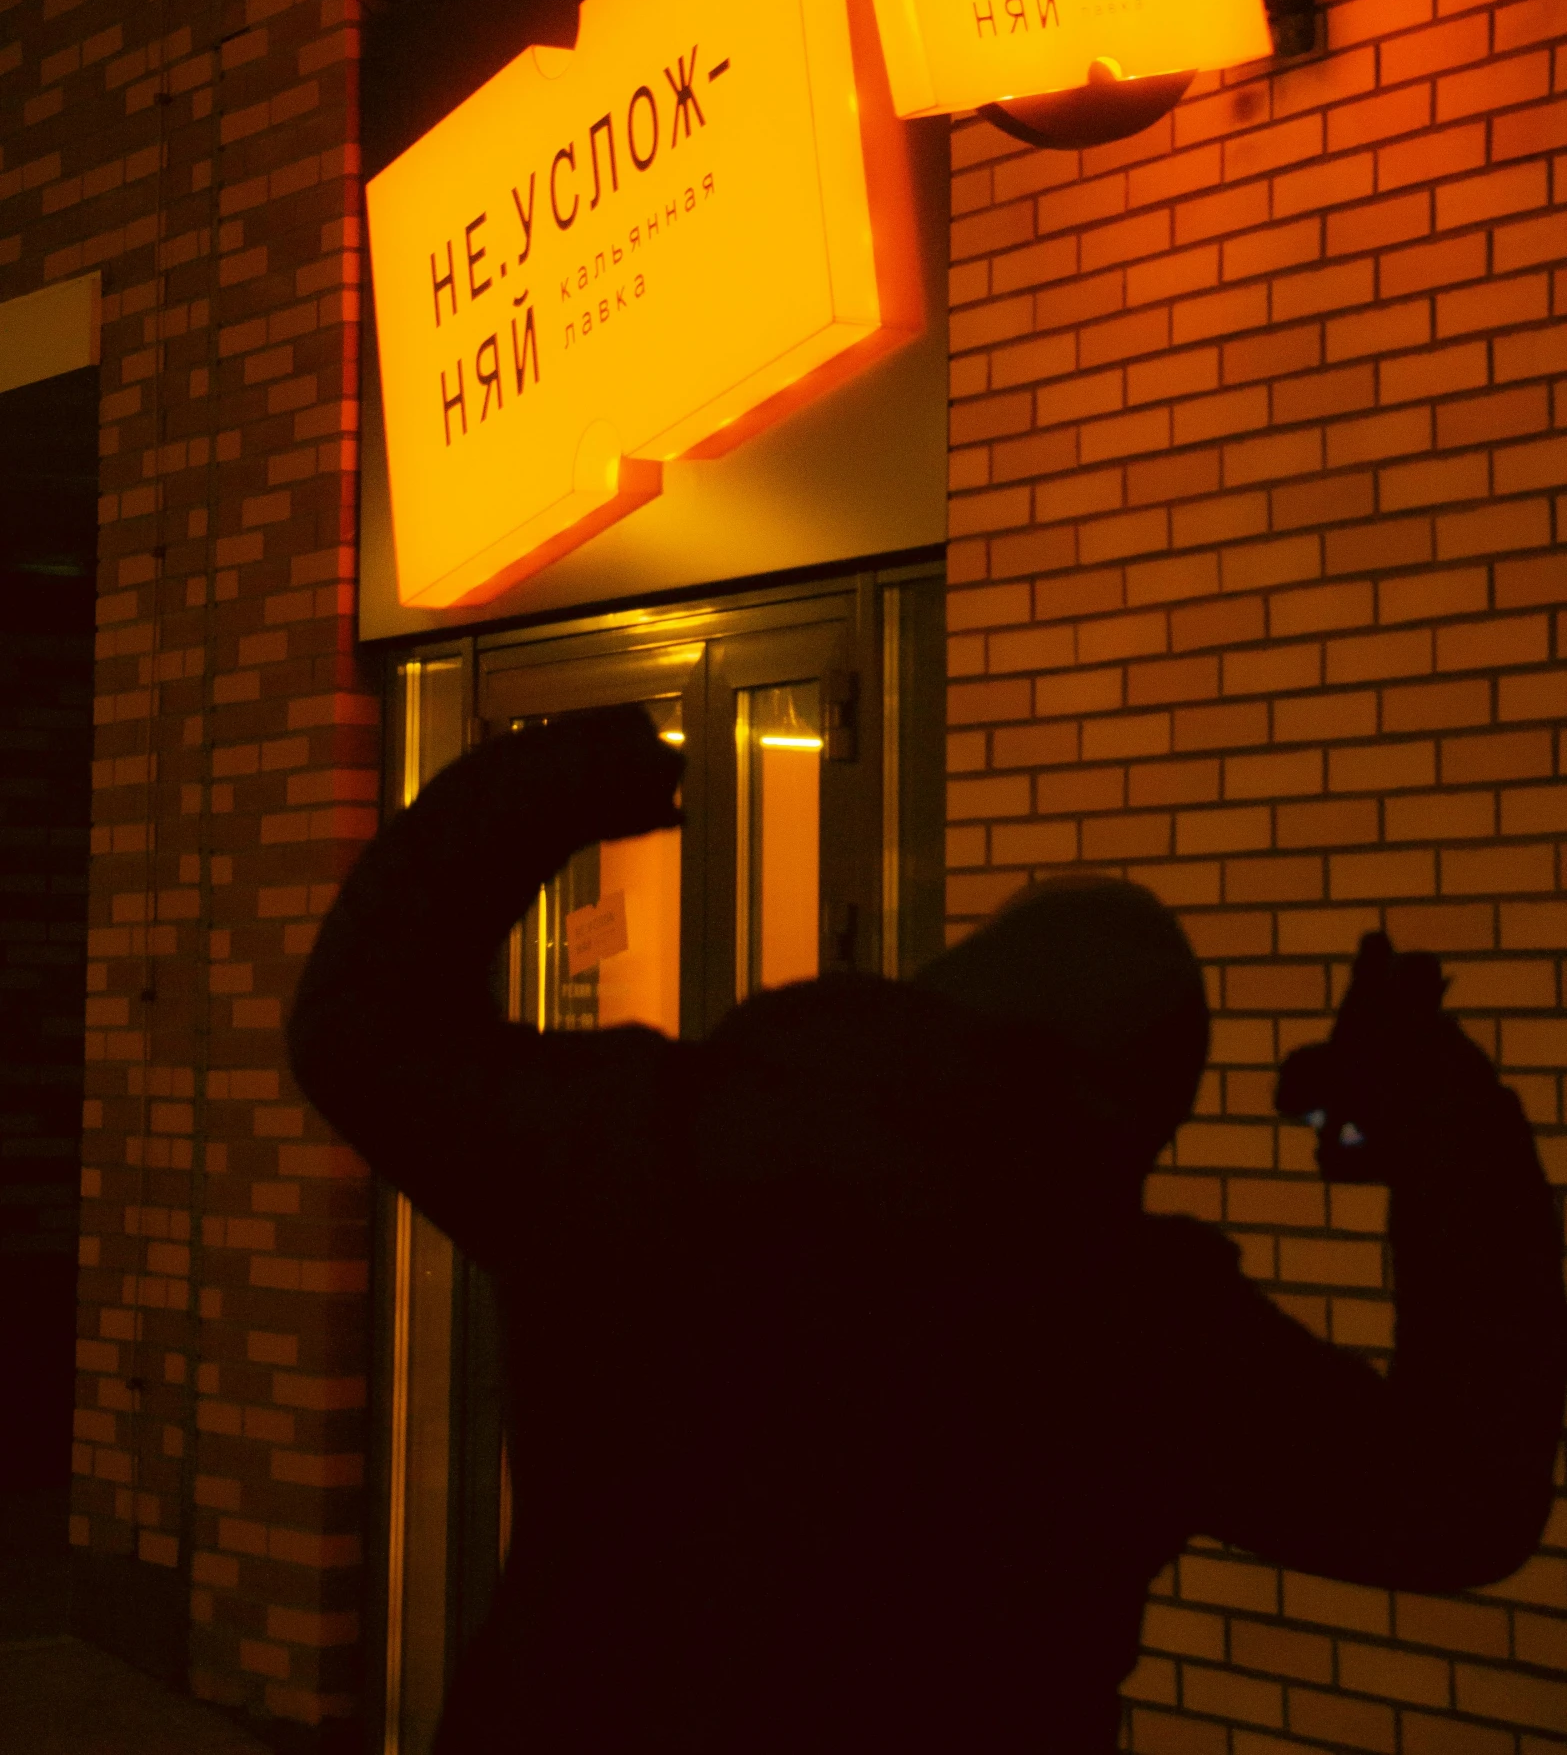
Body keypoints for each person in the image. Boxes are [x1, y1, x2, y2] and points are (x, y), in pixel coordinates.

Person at [288, 708, 1566, 1754]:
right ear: (1118, 1113)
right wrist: (1451, 1130)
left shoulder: (652, 1149)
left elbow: (360, 1026)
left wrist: (557, 776)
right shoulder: (1119, 1315)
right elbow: (1457, 1501)